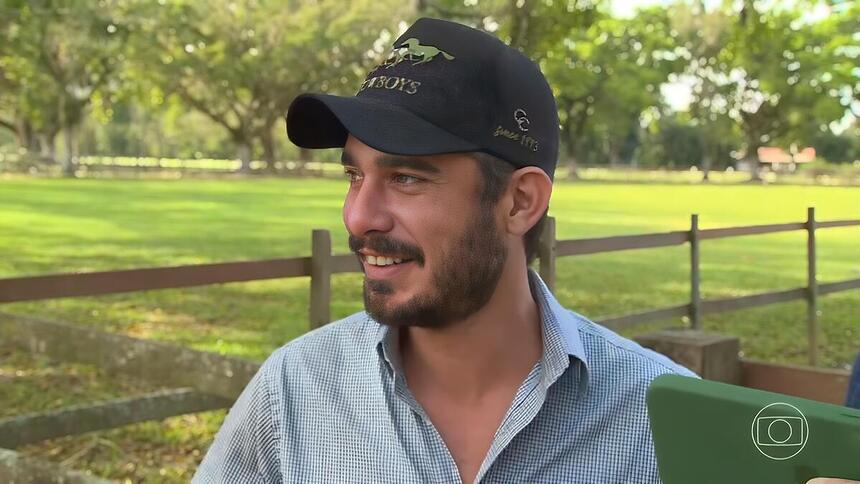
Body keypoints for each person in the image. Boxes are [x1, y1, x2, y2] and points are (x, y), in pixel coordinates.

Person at [193, 18, 856, 484]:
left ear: (519, 203)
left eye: (407, 177)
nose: (359, 215)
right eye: (354, 174)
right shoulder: (295, 389)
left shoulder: (657, 416)